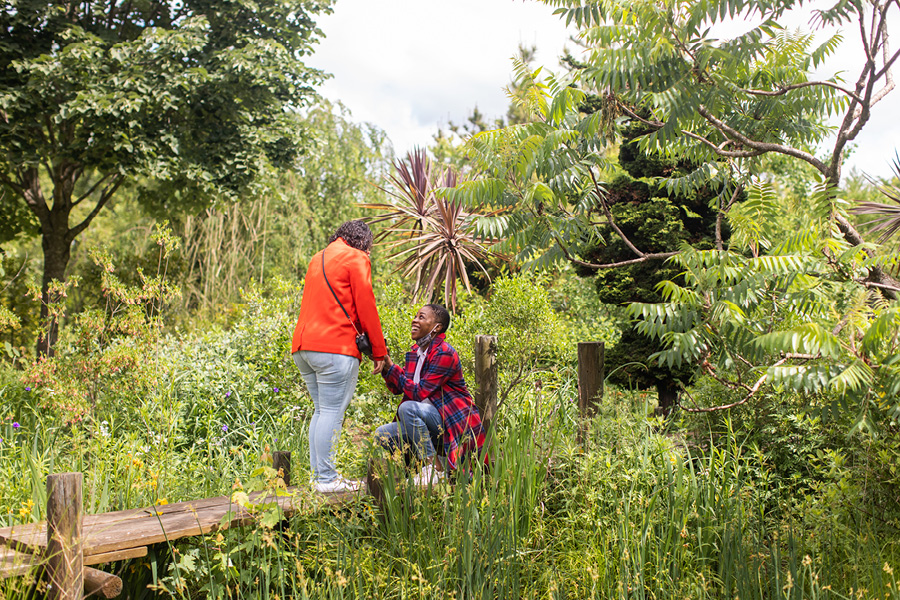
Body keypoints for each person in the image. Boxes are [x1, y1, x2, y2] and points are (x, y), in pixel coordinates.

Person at [291, 220, 387, 493]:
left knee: (321, 410)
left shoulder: (317, 257)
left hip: (303, 347)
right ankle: (326, 479)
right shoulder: (356, 258)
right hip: (335, 348)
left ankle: (318, 476)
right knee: (331, 411)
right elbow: (367, 306)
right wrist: (379, 351)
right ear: (363, 243)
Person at [375, 303, 486, 485]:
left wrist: (393, 369)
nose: (414, 320)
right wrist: (387, 367)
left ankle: (435, 468)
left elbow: (418, 393)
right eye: (416, 316)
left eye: (421, 317)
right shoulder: (416, 352)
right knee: (382, 434)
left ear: (437, 327)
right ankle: (419, 467)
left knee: (408, 408)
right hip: (428, 421)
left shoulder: (445, 353)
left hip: (450, 421)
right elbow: (398, 389)